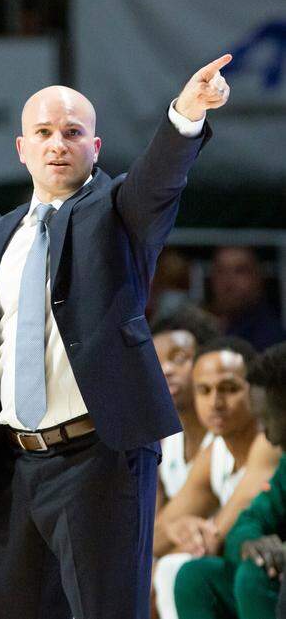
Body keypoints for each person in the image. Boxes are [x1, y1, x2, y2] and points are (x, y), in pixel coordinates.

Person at [0, 54, 232, 619]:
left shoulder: (120, 212)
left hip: (99, 460)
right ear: (21, 149)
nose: (57, 144)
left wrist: (186, 114)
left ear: (94, 148)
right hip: (16, 466)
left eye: (73, 133)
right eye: (43, 133)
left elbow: (158, 178)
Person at [153, 338, 278, 619]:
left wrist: (193, 537)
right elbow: (156, 535)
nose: (216, 402)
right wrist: (178, 528)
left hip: (267, 567)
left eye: (229, 389)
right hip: (242, 567)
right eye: (204, 391)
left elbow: (216, 536)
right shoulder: (215, 451)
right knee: (178, 570)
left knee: (180, 569)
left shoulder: (268, 442)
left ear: (255, 390)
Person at [153, 306, 222, 510]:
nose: (166, 370)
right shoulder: (164, 443)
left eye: (179, 358)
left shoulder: (225, 436)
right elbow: (155, 524)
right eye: (157, 361)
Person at [209, 247, 286, 351]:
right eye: (220, 271)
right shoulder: (207, 326)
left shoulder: (270, 337)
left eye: (240, 271)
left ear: (258, 277)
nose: (228, 282)